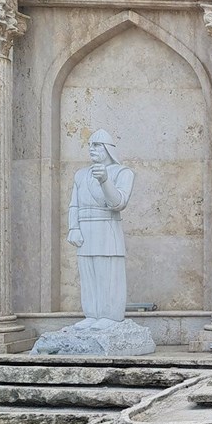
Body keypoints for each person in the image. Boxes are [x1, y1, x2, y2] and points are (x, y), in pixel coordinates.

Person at [67, 129, 134, 330]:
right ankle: (92, 314)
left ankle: (111, 315)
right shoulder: (80, 174)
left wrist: (105, 180)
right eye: (90, 145)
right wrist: (73, 228)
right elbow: (74, 205)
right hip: (85, 230)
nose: (92, 149)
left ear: (107, 148)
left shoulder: (123, 172)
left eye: (96, 145)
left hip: (107, 229)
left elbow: (118, 203)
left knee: (108, 274)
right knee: (88, 275)